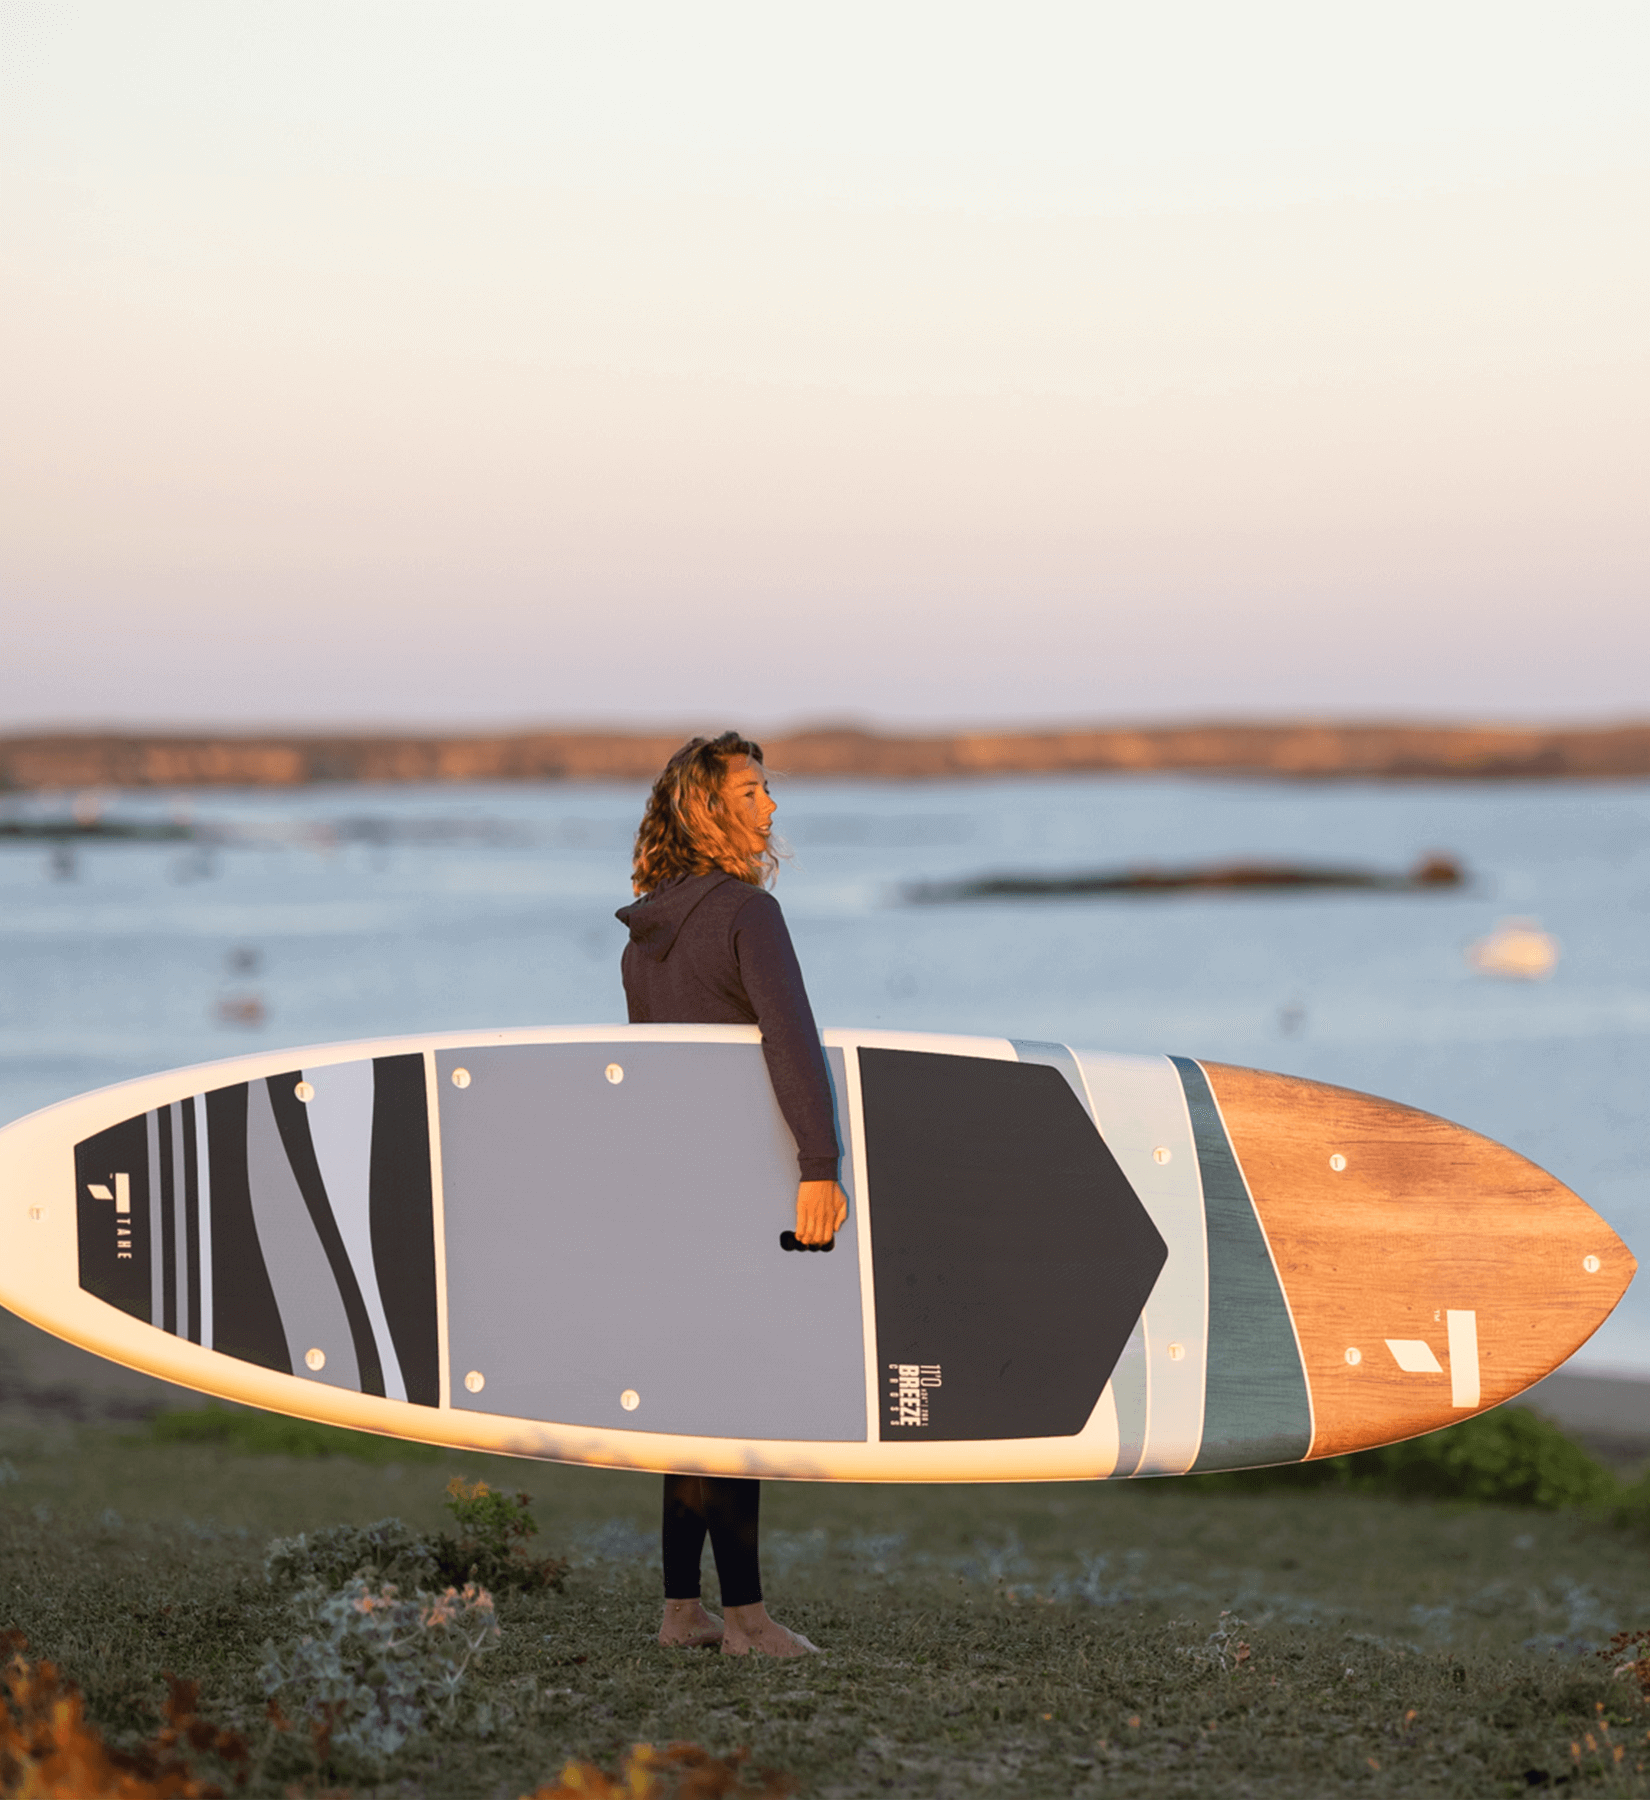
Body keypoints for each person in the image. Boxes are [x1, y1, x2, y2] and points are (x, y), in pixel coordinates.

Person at [615, 731, 849, 1657]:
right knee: (736, 1393)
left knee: (690, 1397)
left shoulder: (646, 934)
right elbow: (788, 1042)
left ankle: (683, 1610)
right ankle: (747, 1618)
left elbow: (653, 1075)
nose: (772, 807)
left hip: (670, 1187)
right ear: (709, 809)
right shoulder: (748, 913)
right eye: (752, 792)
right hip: (746, 1186)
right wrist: (819, 1166)